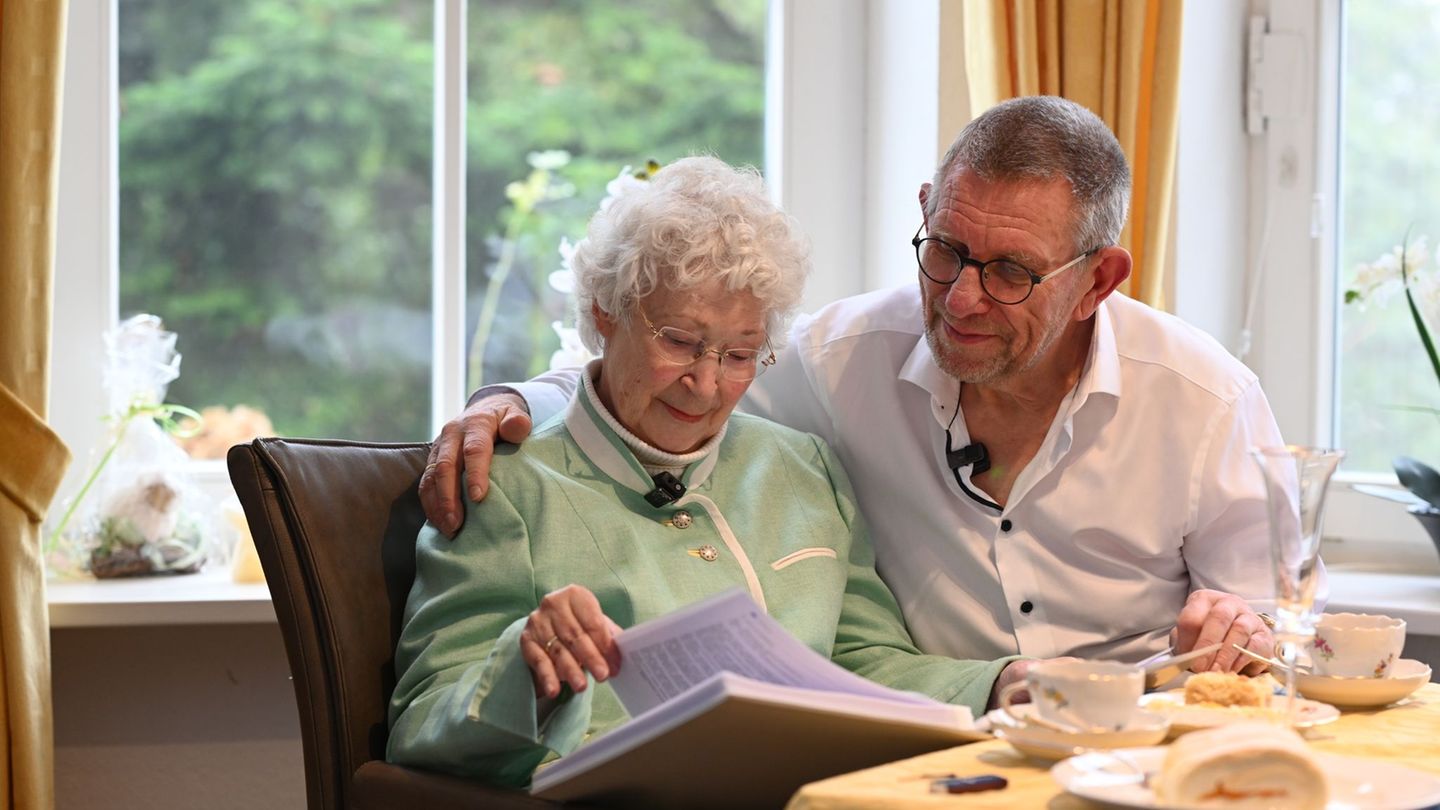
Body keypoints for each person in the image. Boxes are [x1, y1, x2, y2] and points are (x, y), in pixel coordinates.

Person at [422, 96, 1306, 675]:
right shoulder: (841, 359)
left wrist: (1241, 631)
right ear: (925, 207)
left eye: (1011, 274)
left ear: (1100, 280)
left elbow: (1269, 638)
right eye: (947, 250)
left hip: (1140, 760)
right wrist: (499, 401)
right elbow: (659, 382)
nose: (961, 298)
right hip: (938, 759)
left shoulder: (1207, 403)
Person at [387, 156, 1033, 787]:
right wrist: (524, 671)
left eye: (740, 354)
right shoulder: (508, 485)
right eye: (679, 341)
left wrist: (994, 685)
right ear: (606, 311)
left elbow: (864, 662)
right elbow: (424, 716)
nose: (705, 384)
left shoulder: (803, 468)